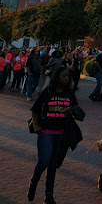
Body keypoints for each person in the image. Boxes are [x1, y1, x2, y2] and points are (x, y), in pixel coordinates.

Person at [27, 67, 78, 204]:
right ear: (57, 77)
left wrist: (71, 109)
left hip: (62, 133)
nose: (67, 78)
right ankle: (34, 181)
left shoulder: (69, 93)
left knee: (52, 165)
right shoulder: (48, 92)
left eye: (68, 76)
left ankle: (49, 195)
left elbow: (77, 109)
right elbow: (35, 111)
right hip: (46, 132)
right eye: (64, 76)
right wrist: (36, 125)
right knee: (44, 161)